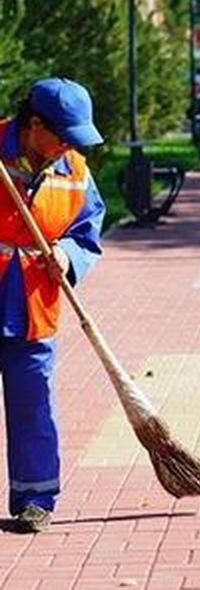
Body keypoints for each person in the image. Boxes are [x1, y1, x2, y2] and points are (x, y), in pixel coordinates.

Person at [0, 78, 105, 533]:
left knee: (34, 404)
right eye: (62, 136)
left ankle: (35, 497)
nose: (68, 147)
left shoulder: (75, 171)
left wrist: (67, 254)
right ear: (33, 125)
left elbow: (87, 232)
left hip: (33, 306)